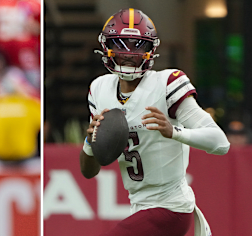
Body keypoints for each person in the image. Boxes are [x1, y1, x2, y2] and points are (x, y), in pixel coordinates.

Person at [80, 8, 230, 236]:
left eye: (138, 45)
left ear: (151, 50)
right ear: (107, 47)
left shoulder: (167, 84)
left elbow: (220, 143)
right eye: (121, 44)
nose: (129, 53)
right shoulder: (99, 89)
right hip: (139, 207)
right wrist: (90, 142)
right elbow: (88, 171)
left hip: (171, 207)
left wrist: (175, 132)